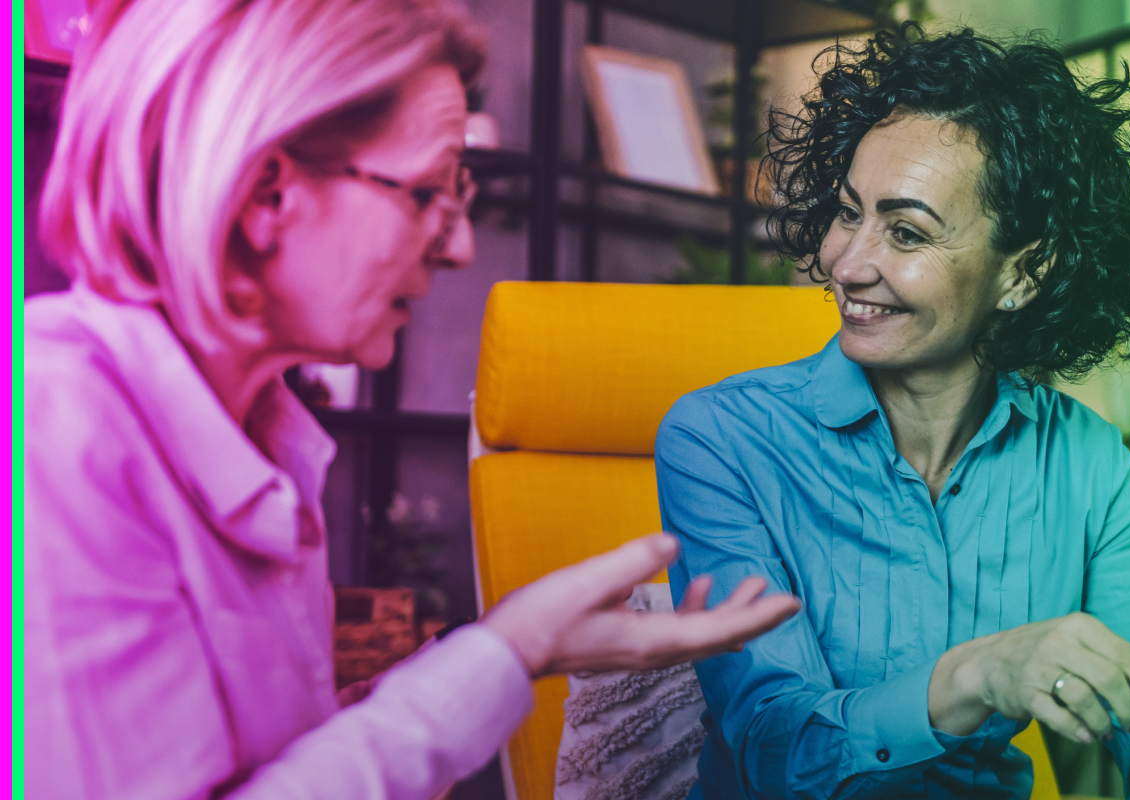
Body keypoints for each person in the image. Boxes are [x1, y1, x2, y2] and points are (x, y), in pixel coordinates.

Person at [23, 1, 800, 798]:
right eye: (426, 191)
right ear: (266, 193)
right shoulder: (54, 434)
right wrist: (508, 650)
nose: (459, 245)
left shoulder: (266, 435)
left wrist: (518, 652)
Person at [656, 25, 1130, 800]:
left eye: (905, 231)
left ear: (1023, 273)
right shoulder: (722, 441)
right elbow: (773, 748)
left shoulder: (1089, 464)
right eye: (848, 212)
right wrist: (976, 674)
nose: (848, 263)